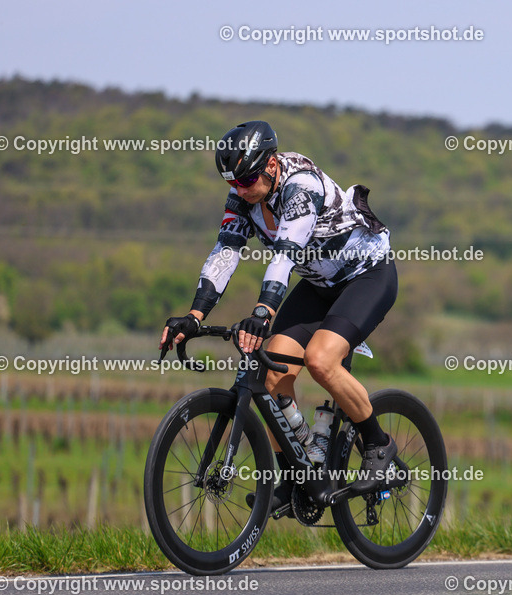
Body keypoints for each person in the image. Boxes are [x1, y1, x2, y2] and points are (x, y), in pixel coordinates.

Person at [159, 120, 398, 504]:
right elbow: (225, 252)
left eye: (246, 180)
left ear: (271, 165)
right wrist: (194, 316)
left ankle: (378, 445)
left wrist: (263, 311)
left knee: (320, 361)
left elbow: (286, 255)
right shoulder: (244, 193)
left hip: (366, 276)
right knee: (272, 373)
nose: (240, 190)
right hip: (320, 285)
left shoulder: (300, 185)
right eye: (232, 184)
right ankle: (298, 473)